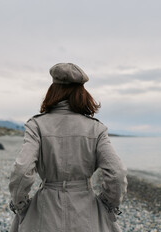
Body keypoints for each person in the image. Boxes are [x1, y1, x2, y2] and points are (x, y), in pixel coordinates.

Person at [8, 63, 128, 232]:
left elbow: (22, 170)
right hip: (86, 210)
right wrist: (107, 205)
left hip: (45, 210)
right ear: (82, 93)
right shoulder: (96, 128)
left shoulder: (37, 125)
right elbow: (117, 173)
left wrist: (21, 206)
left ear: (53, 90)